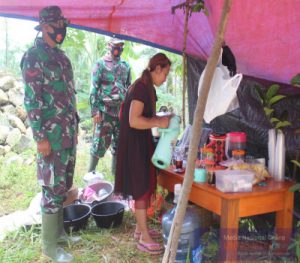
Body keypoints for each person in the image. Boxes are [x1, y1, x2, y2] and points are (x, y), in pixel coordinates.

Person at [20, 6, 79, 262]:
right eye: (56, 26)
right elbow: (32, 101)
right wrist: (40, 137)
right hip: (50, 138)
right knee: (51, 191)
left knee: (63, 187)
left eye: (62, 25)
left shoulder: (62, 58)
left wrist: (75, 128)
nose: (61, 30)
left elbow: (69, 97)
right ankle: (49, 248)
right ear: (44, 27)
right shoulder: (34, 57)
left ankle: (60, 234)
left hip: (67, 135)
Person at [115, 53, 172, 254]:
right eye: (165, 73)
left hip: (141, 141)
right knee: (141, 188)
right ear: (157, 69)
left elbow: (147, 115)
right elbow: (133, 120)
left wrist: (164, 117)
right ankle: (144, 239)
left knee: (146, 184)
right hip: (134, 143)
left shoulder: (147, 87)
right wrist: (157, 122)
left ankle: (141, 230)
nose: (165, 78)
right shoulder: (140, 87)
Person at [88, 38, 131, 175]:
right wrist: (95, 111)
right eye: (115, 45)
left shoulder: (125, 66)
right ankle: (90, 173)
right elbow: (94, 88)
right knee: (99, 144)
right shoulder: (100, 64)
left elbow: (128, 87)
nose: (118, 48)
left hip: (121, 113)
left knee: (119, 146)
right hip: (105, 112)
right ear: (109, 45)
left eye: (121, 45)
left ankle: (115, 175)